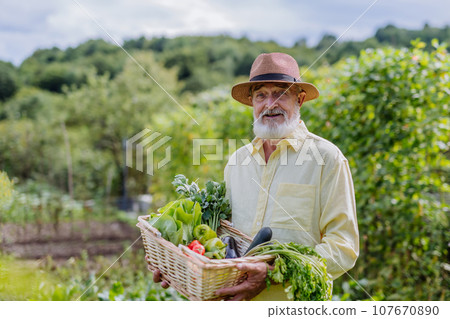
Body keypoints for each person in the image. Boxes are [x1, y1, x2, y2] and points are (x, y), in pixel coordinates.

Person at [154, 52, 359, 301]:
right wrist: (180, 262)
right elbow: (222, 237)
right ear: (252, 102)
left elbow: (343, 247)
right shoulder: (237, 162)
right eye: (261, 95)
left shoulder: (327, 159)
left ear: (300, 99)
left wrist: (274, 273)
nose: (270, 104)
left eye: (281, 93)